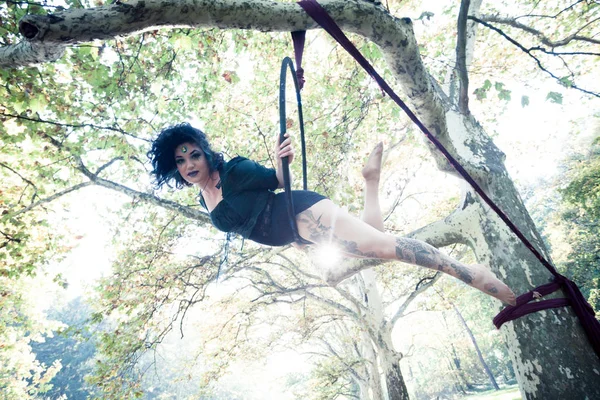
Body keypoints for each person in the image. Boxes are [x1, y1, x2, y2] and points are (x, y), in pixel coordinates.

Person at [148, 123, 516, 305]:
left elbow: (276, 181)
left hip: (304, 212)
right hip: (299, 234)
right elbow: (250, 224)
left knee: (387, 248)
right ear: (174, 169)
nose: (189, 163)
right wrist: (294, 243)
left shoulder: (234, 172)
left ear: (206, 153)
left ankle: (471, 273)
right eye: (180, 160)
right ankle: (371, 180)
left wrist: (282, 158)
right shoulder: (204, 200)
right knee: (378, 242)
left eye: (194, 154)